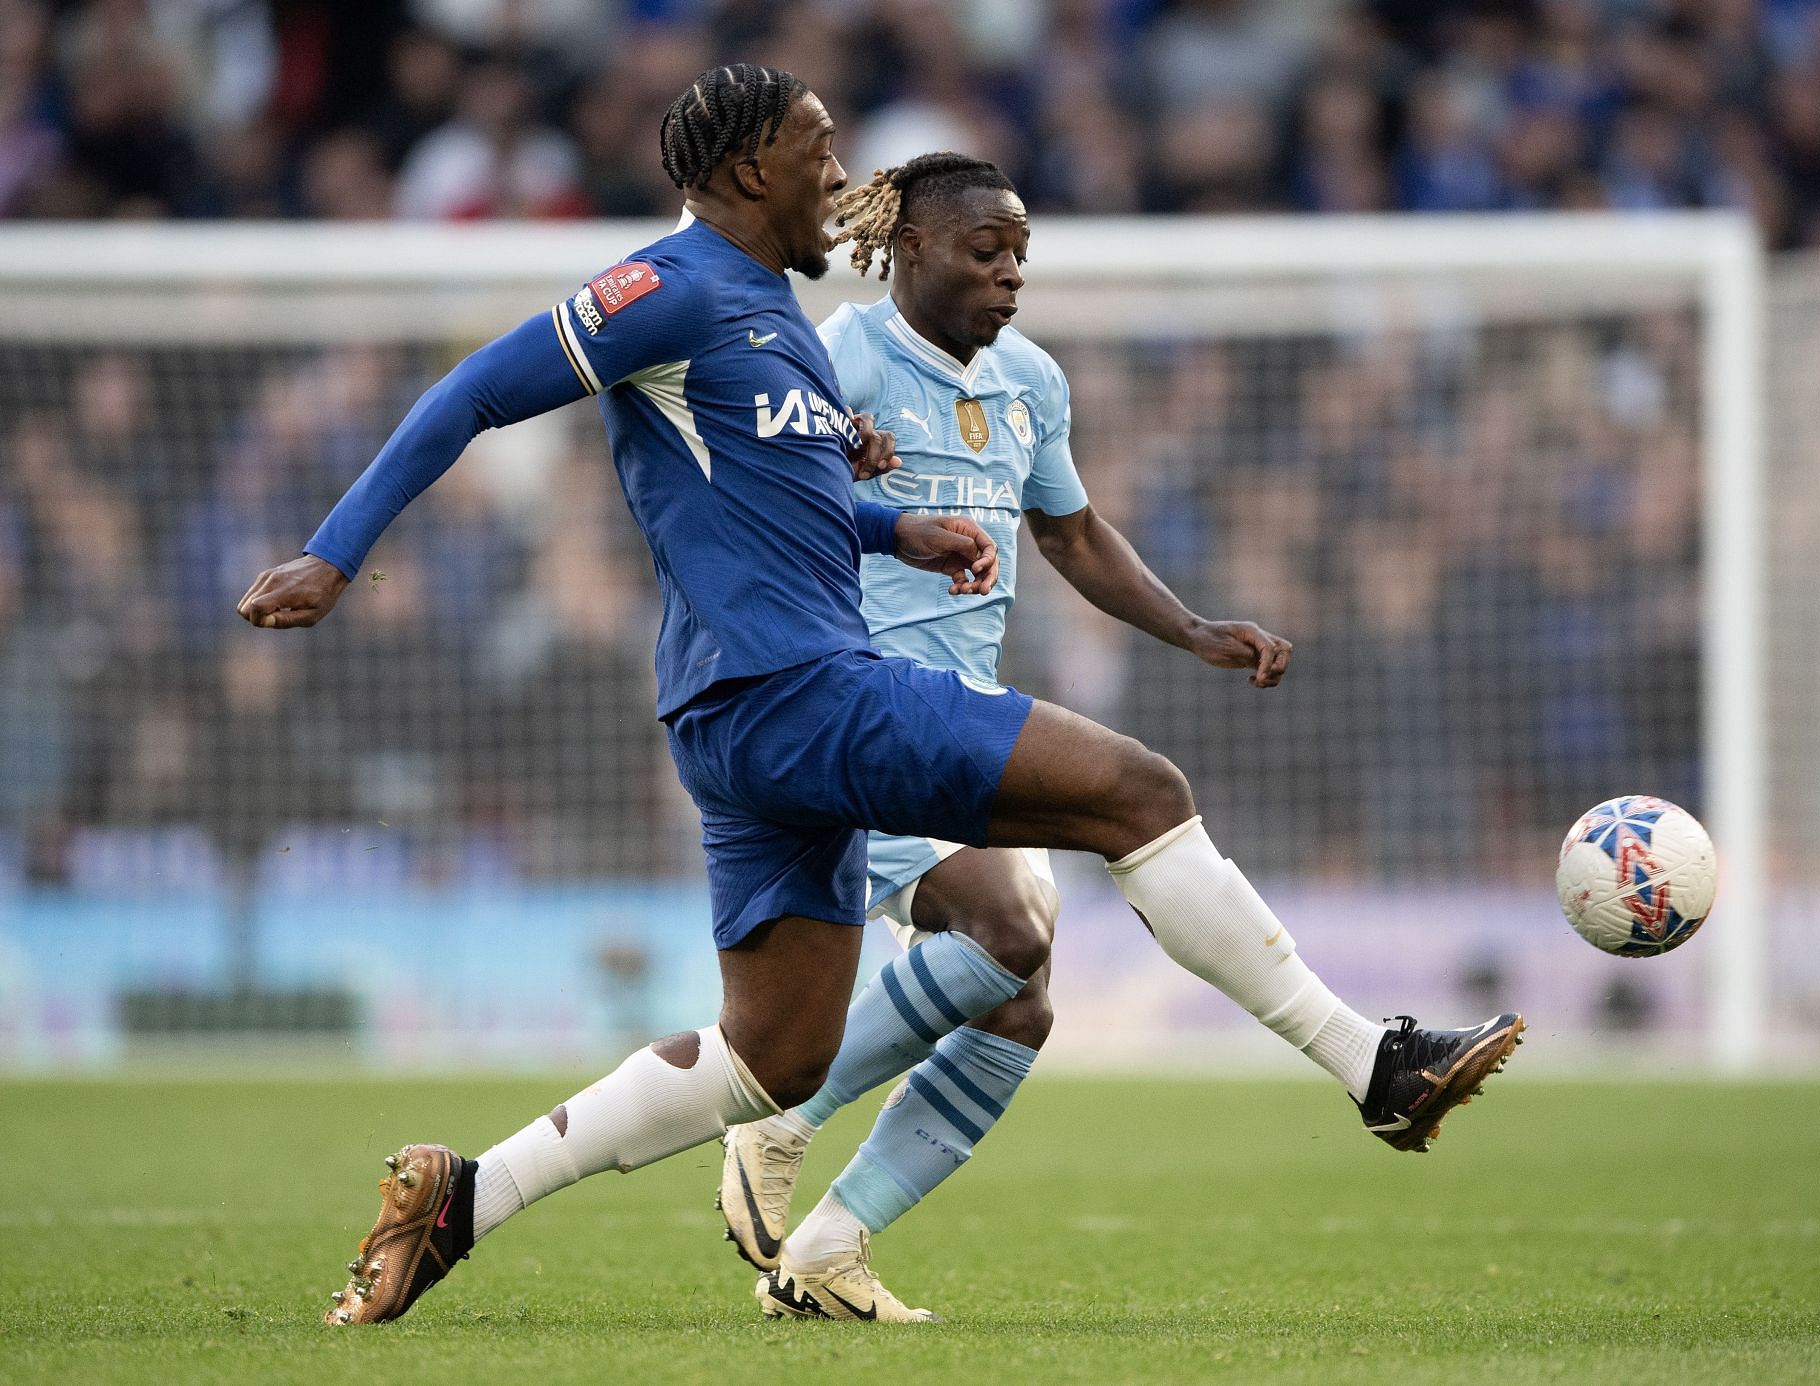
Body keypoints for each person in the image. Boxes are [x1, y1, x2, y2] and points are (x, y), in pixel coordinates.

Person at [236, 66, 1521, 1330]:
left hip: (742, 719)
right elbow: (472, 389)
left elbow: (761, 495)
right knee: (1140, 795)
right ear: (747, 171)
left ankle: (466, 1196)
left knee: (771, 1059)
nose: (841, 175)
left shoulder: (768, 312)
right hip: (800, 692)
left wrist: (891, 525)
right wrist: (336, 552)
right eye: (819, 148)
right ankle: (1374, 1063)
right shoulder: (669, 288)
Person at [718, 152, 1525, 1322]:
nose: (1010, 276)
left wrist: (1191, 626)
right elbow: (749, 508)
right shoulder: (833, 359)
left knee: (1019, 1001)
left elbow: (1075, 533)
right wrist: (857, 490)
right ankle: (779, 1106)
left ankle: (830, 1250)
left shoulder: (1032, 381)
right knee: (1024, 909)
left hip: (960, 714)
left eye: (1021, 255)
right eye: (985, 252)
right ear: (904, 249)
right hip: (855, 712)